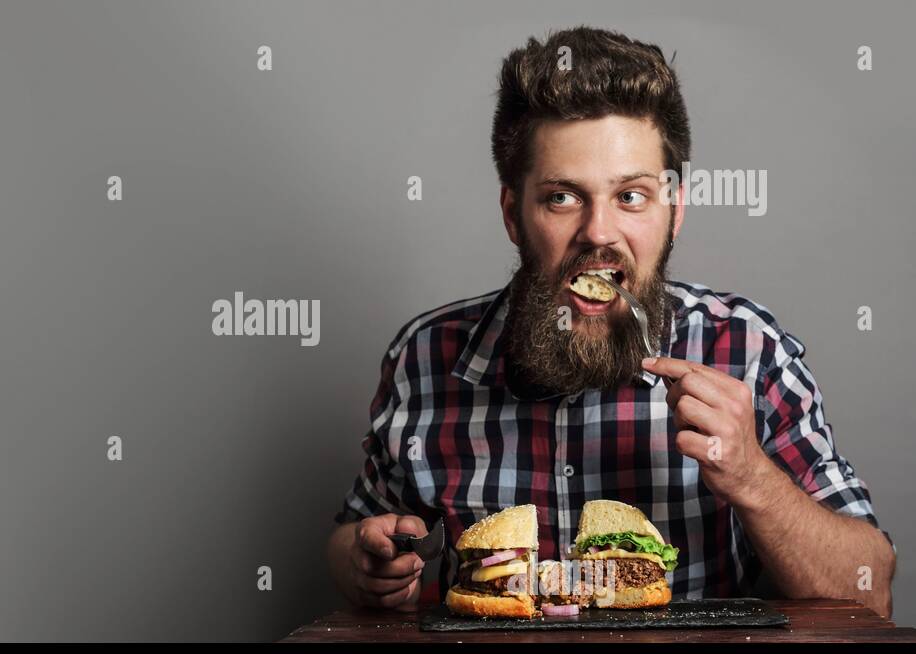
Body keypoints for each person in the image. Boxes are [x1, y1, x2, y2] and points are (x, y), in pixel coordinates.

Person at [327, 26, 896, 618]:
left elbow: (869, 588)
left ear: (673, 212)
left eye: (631, 196)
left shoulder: (748, 351)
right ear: (513, 216)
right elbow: (357, 534)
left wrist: (752, 477)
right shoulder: (425, 358)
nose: (599, 232)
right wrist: (369, 566)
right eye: (562, 197)